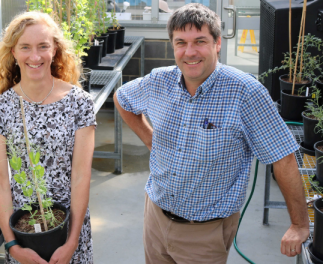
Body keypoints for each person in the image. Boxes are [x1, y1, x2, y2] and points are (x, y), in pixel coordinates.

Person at [114, 3, 309, 263]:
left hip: (205, 232)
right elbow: (122, 98)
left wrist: (298, 224)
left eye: (200, 41)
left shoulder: (245, 93)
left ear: (217, 43)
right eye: (181, 42)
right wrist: (152, 140)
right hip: (155, 217)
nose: (190, 52)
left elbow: (283, 158)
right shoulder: (159, 80)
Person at [0, 12, 96, 264]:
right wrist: (12, 245)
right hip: (24, 233)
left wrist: (72, 242)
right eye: (25, 47)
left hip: (70, 228)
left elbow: (80, 176)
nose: (35, 57)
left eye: (43, 46)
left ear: (55, 49)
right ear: (13, 52)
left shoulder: (79, 103)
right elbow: (0, 182)